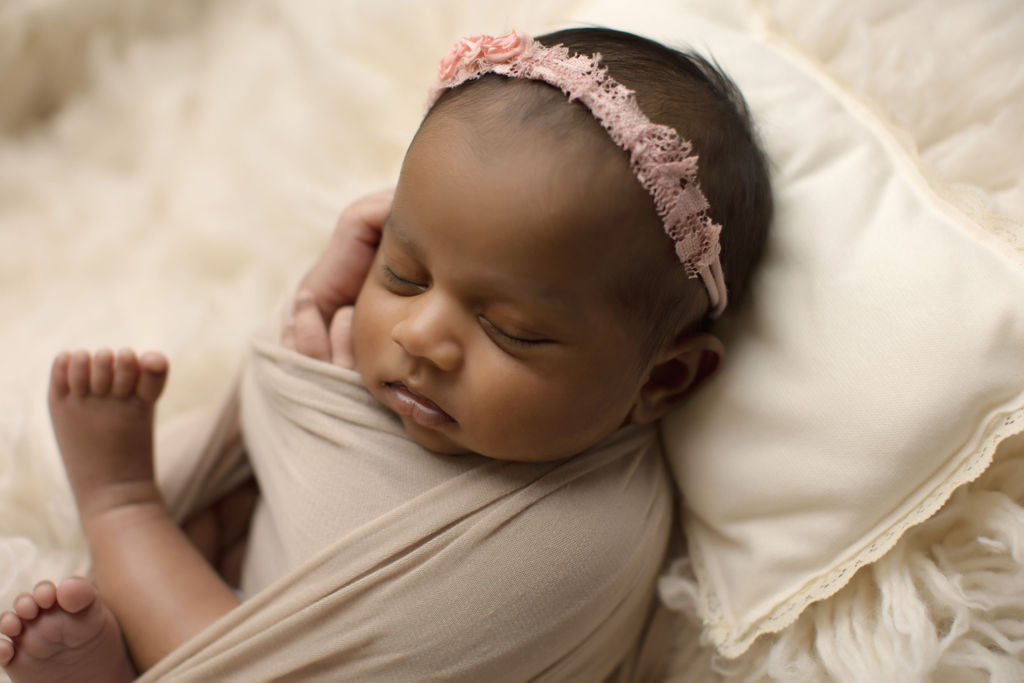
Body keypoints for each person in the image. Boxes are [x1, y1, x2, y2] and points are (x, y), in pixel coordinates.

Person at [0, 27, 771, 682]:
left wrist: (120, 500)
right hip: (254, 602)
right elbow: (279, 409)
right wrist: (318, 301)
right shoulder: (436, 385)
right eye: (403, 271)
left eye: (511, 329)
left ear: (662, 377)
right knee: (231, 521)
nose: (419, 336)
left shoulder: (565, 553)